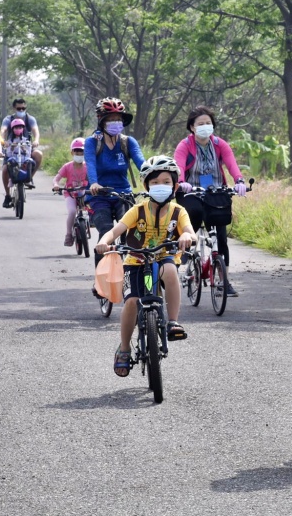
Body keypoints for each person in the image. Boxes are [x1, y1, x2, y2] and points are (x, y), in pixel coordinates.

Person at [94, 156, 195, 377]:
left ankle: (173, 322)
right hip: (136, 261)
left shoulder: (179, 211)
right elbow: (116, 230)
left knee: (170, 269)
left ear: (175, 185)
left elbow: (189, 230)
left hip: (164, 257)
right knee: (131, 301)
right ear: (146, 186)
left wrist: (187, 236)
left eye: (167, 181)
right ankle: (124, 348)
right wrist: (104, 241)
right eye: (155, 182)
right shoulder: (137, 210)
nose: (161, 186)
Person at [174, 105, 248, 297]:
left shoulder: (220, 144)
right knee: (194, 212)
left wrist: (239, 181)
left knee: (221, 238)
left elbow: (231, 164)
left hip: (215, 191)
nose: (205, 126)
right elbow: (179, 166)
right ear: (192, 127)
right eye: (200, 124)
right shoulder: (185, 145)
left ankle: (224, 281)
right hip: (191, 191)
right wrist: (181, 182)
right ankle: (186, 247)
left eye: (208, 123)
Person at [85, 97, 146, 290]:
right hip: (99, 196)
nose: (115, 123)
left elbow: (142, 164)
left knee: (133, 235)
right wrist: (94, 183)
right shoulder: (92, 142)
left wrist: (156, 179)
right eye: (111, 119)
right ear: (101, 120)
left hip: (123, 195)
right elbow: (91, 164)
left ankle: (136, 277)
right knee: (105, 234)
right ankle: (100, 281)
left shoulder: (128, 142)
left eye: (118, 119)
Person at [0, 97, 43, 205]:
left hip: (26, 148)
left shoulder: (30, 119)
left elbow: (35, 130)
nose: (21, 110)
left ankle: (29, 178)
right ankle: (8, 195)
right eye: (19, 108)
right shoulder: (8, 119)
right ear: (14, 108)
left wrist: (36, 140)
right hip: (12, 148)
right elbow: (3, 130)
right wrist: (3, 141)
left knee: (38, 155)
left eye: (23, 108)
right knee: (5, 170)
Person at [52, 138, 89, 246]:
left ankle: (90, 222)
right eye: (76, 151)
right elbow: (56, 178)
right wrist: (56, 185)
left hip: (84, 193)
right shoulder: (67, 167)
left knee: (93, 208)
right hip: (70, 194)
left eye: (81, 151)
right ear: (72, 152)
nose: (79, 153)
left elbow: (96, 178)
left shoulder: (89, 166)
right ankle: (69, 235)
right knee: (72, 212)